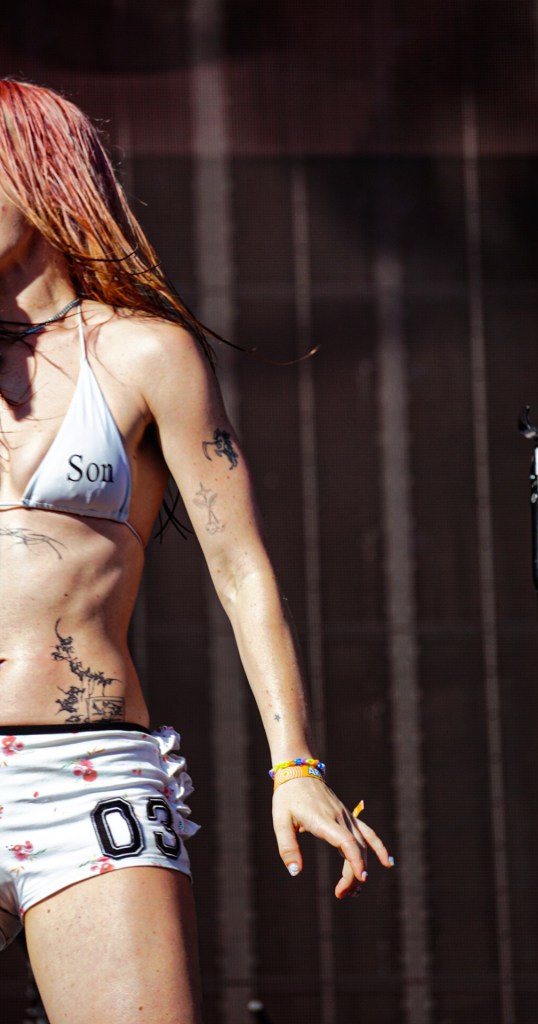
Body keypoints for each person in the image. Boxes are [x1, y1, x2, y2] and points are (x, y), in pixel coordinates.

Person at [0, 79, 393, 1024]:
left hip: (84, 774)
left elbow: (241, 568)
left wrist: (295, 765)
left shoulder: (146, 355)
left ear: (35, 175)